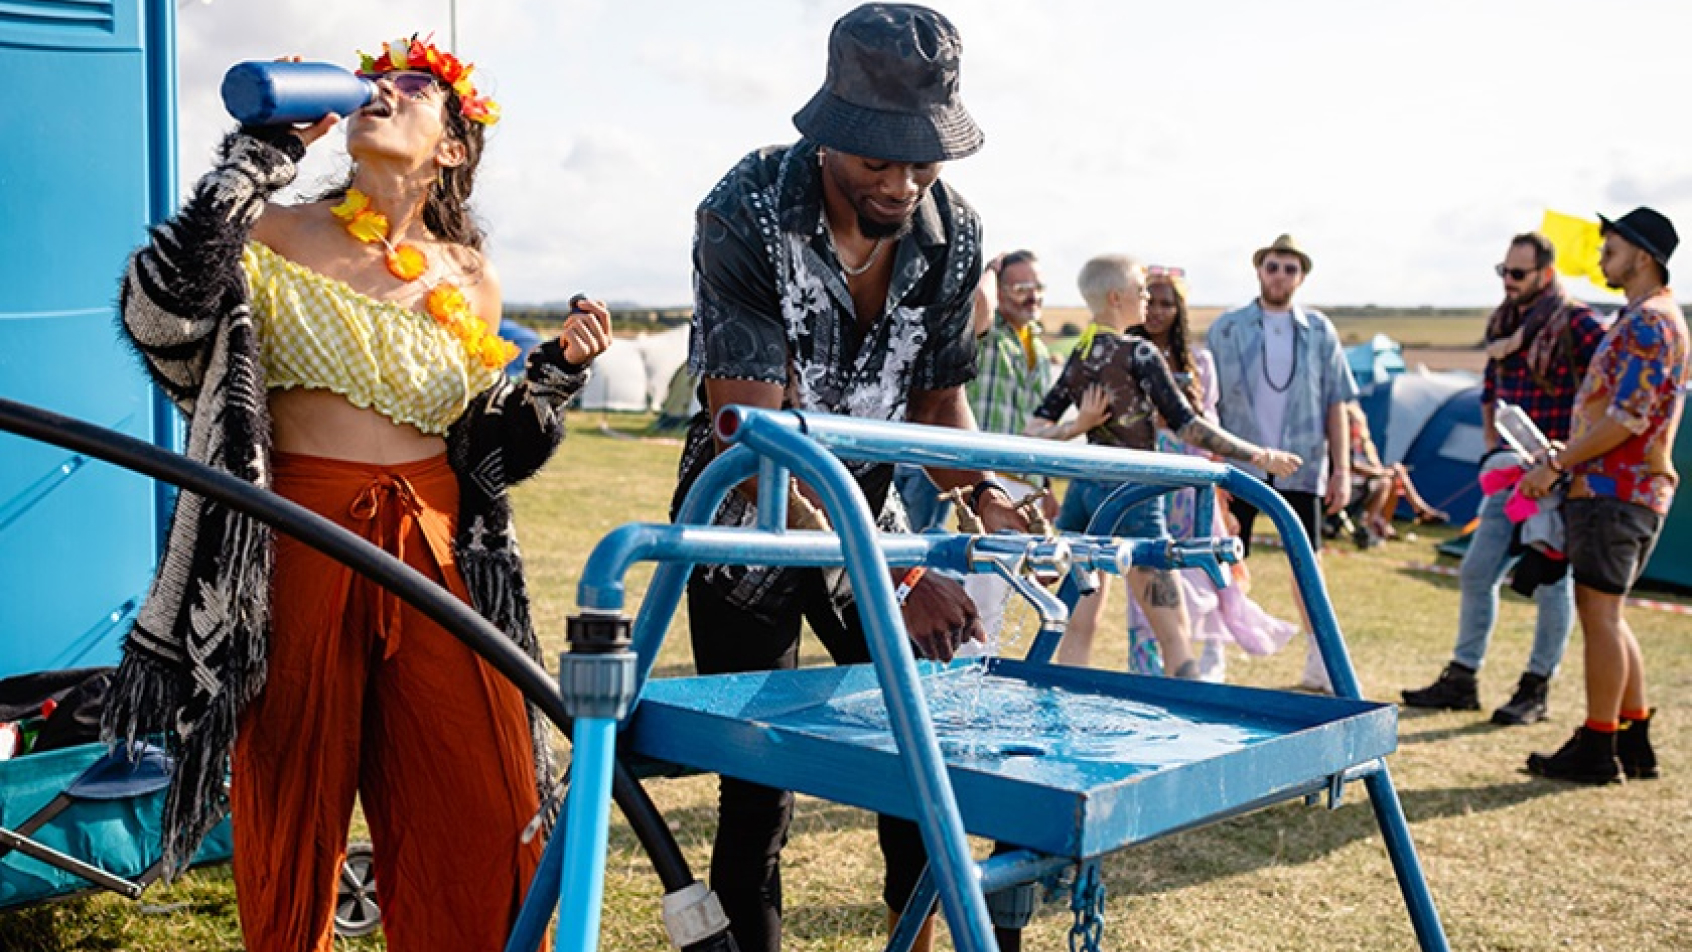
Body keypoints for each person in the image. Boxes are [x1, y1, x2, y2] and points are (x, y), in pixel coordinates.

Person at [102, 36, 611, 952]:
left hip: (440, 553)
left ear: (453, 148)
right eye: (382, 81)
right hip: (295, 538)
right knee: (292, 793)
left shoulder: (472, 279)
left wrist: (553, 377)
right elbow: (159, 313)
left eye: (416, 89)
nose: (387, 90)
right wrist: (256, 162)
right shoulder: (272, 229)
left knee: (480, 787)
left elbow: (484, 453)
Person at [671, 7, 1031, 950]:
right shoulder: (744, 209)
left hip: (862, 517)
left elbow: (937, 413)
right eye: (878, 157)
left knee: (918, 753)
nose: (902, 181)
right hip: (746, 525)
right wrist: (899, 579)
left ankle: (908, 937)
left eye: (923, 159)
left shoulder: (951, 233)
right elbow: (753, 446)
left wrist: (991, 493)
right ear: (828, 130)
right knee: (759, 785)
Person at [1025, 255, 1300, 676]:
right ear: (1117, 298)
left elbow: (1034, 429)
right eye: (1140, 289)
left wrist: (1076, 427)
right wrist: (1257, 455)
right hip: (1135, 495)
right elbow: (1189, 425)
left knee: (1079, 626)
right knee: (1174, 633)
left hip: (1085, 495)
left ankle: (1061, 720)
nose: (1147, 297)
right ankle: (1183, 725)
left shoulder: (1081, 355)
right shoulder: (1139, 353)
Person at [1402, 232, 1608, 724]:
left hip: (1557, 474)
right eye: (1504, 272)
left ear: (1546, 274)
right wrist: (1494, 446)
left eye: (1518, 273)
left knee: (1551, 581)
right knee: (1477, 571)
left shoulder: (1577, 324)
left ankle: (1536, 688)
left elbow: (1606, 387)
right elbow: (1490, 391)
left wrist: (1568, 457)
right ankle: (1462, 678)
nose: (1509, 282)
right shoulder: (1503, 324)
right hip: (1510, 473)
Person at [1521, 207, 1686, 783]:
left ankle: (1598, 745)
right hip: (1622, 486)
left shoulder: (1648, 322)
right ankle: (1633, 736)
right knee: (1608, 613)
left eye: (1610, 248)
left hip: (1615, 491)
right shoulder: (1652, 317)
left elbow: (1628, 417)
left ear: (1643, 256)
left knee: (1600, 616)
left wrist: (1558, 464)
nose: (1599, 258)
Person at [1123, 266, 1300, 679]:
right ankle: (1147, 668)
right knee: (1148, 568)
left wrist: (1221, 497)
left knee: (1205, 566)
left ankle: (1206, 656)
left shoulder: (1200, 361)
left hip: (1191, 479)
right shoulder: (1127, 355)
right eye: (1153, 300)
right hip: (1148, 478)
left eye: (1169, 303)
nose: (1159, 311)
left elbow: (1209, 424)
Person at [1207, 234, 1357, 693]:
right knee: (1222, 560)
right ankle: (1214, 656)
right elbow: (1208, 404)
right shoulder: (1228, 327)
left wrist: (1343, 469)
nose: (1280, 276)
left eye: (1290, 269)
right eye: (1273, 266)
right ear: (1259, 271)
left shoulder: (1320, 331)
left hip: (1303, 462)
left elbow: (1338, 402)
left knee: (1306, 564)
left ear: (1302, 276)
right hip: (1239, 463)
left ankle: (1320, 659)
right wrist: (1214, 464)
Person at [957, 249, 1058, 648]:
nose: (1032, 296)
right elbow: (978, 306)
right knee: (984, 583)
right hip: (988, 479)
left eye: (1038, 287)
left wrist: (1045, 485)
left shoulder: (1038, 343)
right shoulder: (988, 333)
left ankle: (983, 666)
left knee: (1005, 587)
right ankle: (964, 671)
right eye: (1020, 287)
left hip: (1025, 480)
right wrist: (988, 271)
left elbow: (1039, 421)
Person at [1344, 402, 1447, 546]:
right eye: (1350, 423)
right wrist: (1382, 473)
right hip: (1349, 486)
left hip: (1368, 484)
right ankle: (1417, 510)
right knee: (1388, 480)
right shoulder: (1342, 444)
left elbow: (1375, 467)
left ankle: (1388, 521)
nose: (1354, 427)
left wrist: (1384, 472)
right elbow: (1353, 467)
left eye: (1356, 423)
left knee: (1396, 473)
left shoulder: (1366, 446)